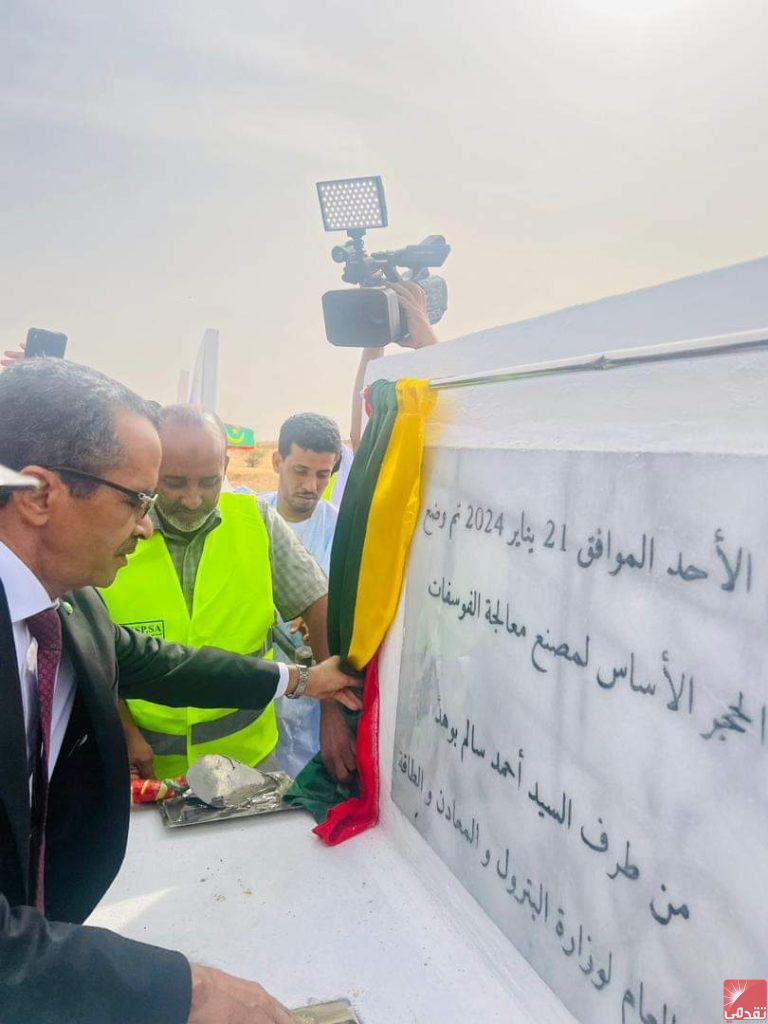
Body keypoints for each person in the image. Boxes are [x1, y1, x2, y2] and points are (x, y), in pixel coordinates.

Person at [0, 357, 360, 1024]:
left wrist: (302, 678)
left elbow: (157, 661)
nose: (149, 523)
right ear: (41, 496)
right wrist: (177, 991)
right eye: (137, 498)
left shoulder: (69, 604)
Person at [100, 404, 356, 785]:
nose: (192, 499)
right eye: (174, 483)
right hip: (145, 768)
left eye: (208, 482)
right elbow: (93, 648)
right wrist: (123, 732)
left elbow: (319, 605)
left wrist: (331, 711)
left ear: (225, 467)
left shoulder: (257, 522)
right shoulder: (113, 529)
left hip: (249, 765)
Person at [262, 412, 343, 575]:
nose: (311, 486)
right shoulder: (250, 514)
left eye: (323, 474)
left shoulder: (340, 530)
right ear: (277, 462)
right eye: (300, 471)